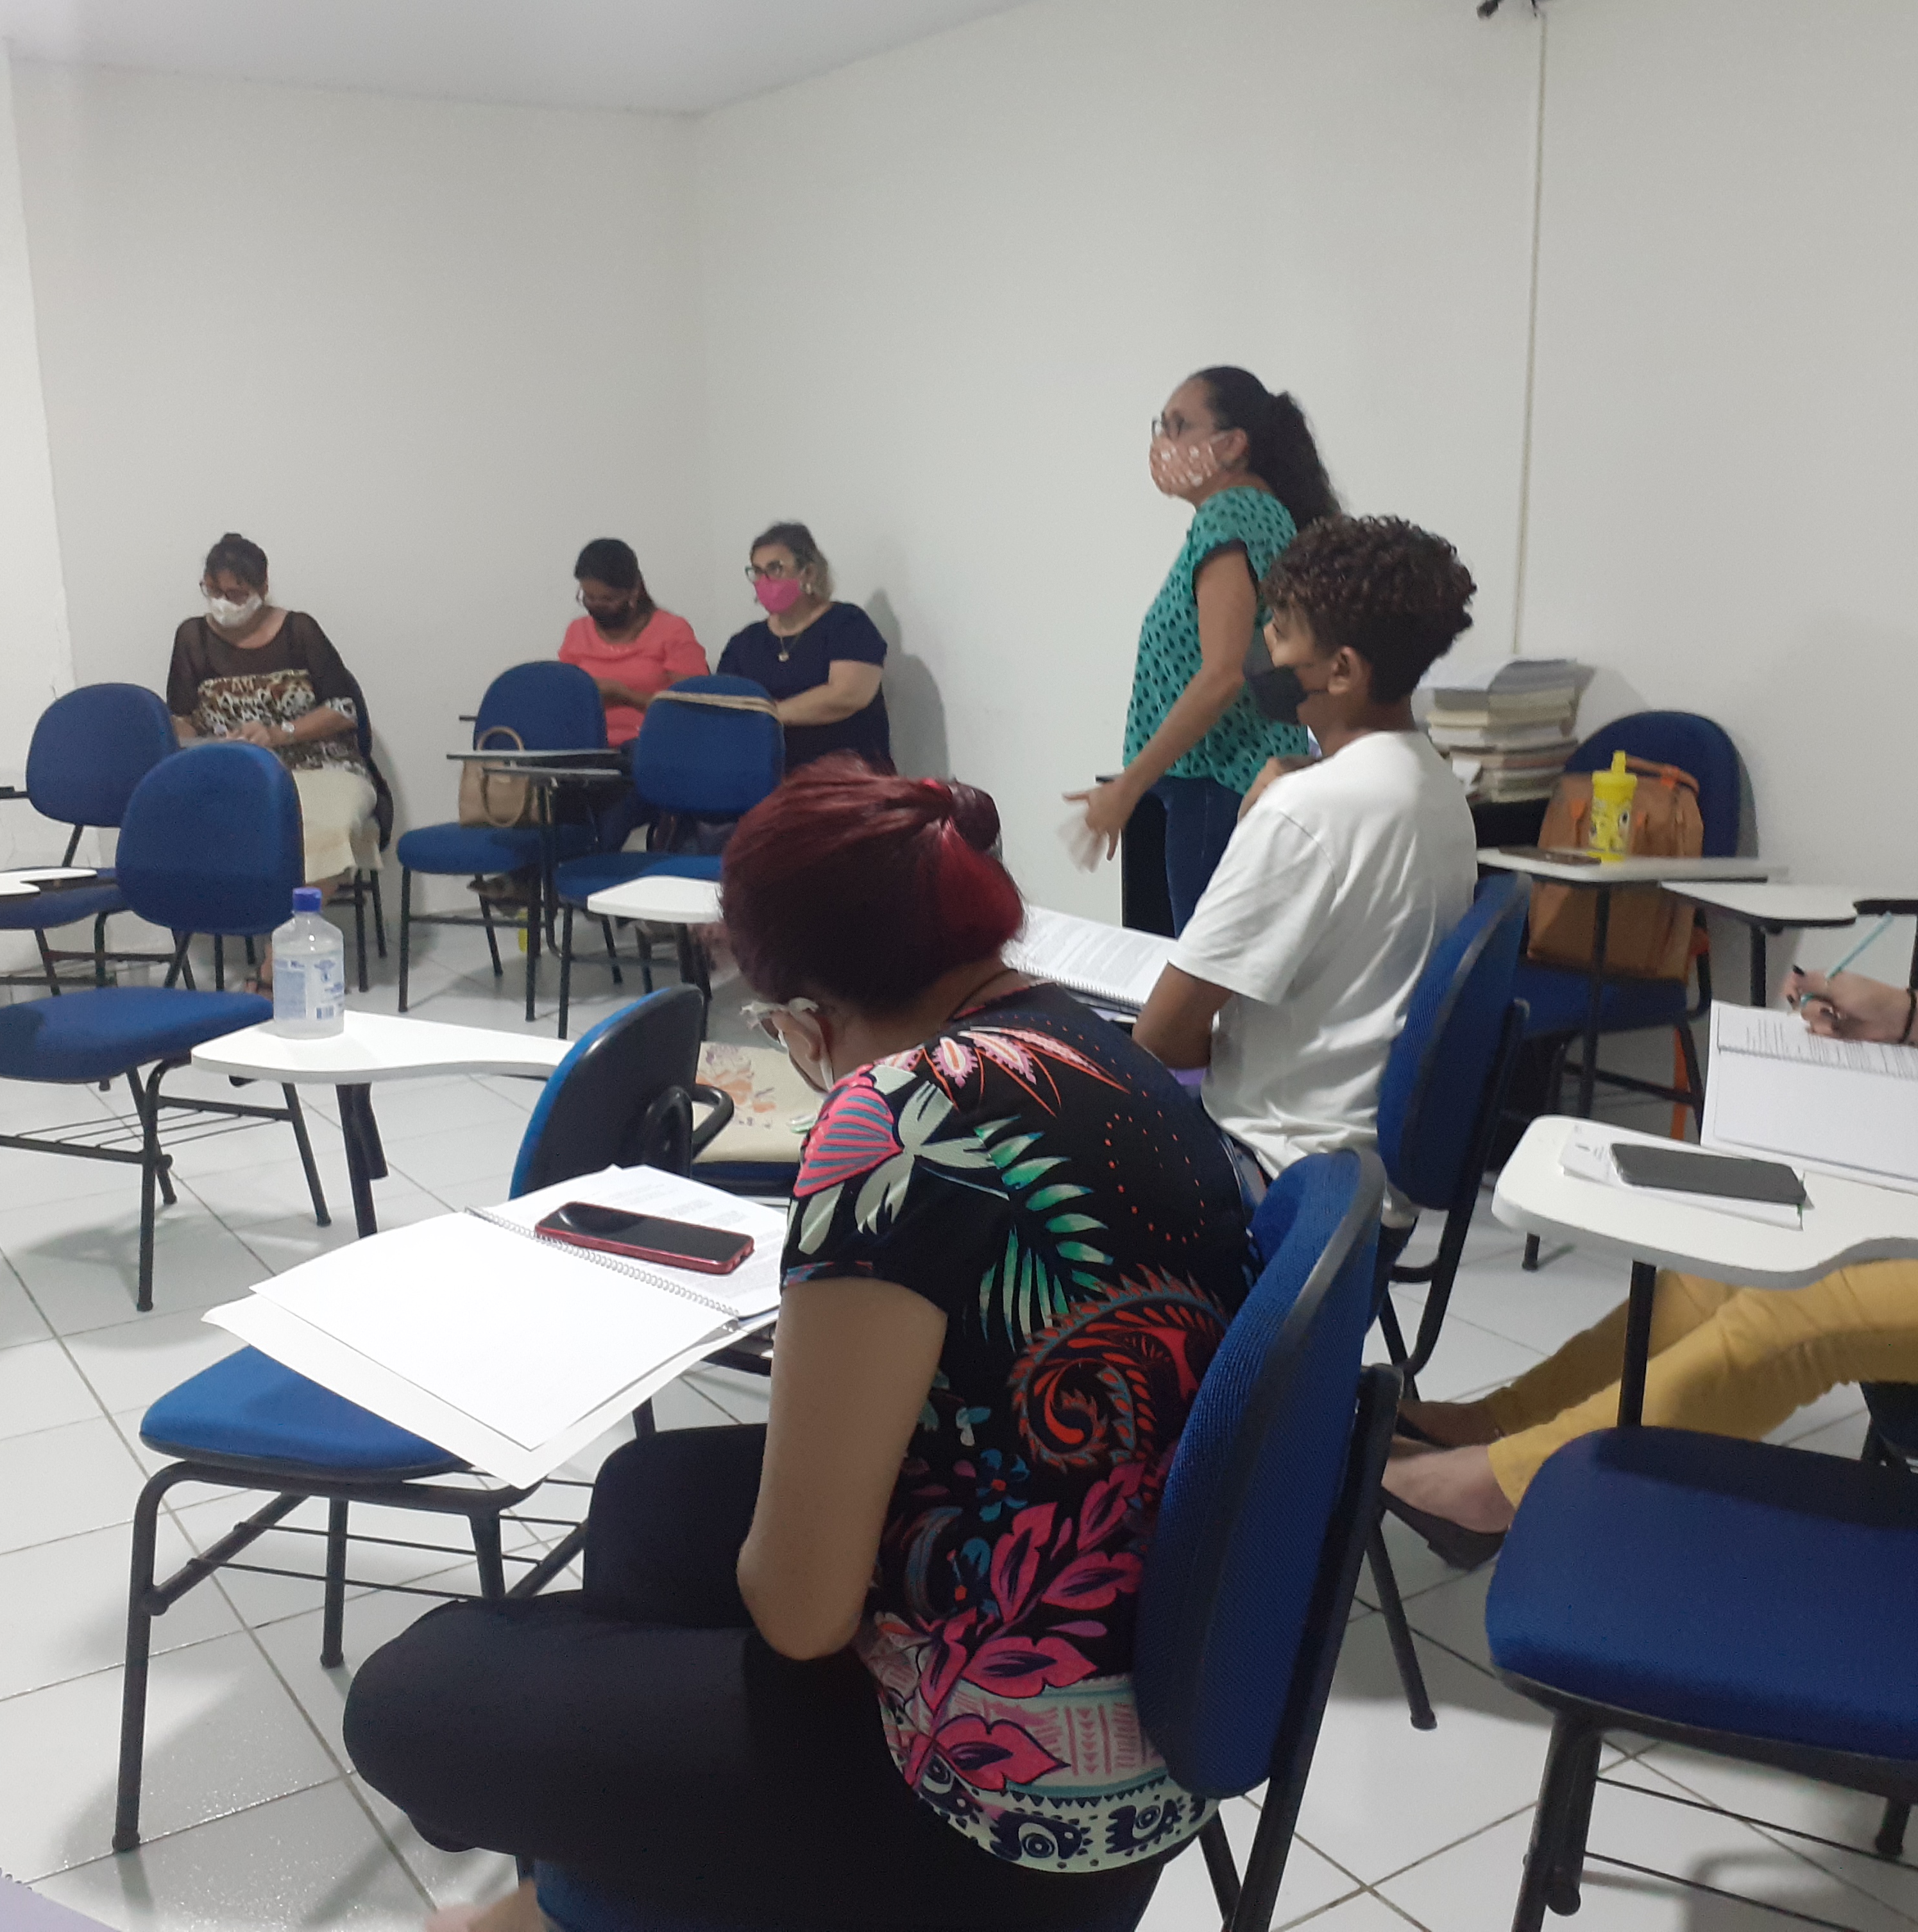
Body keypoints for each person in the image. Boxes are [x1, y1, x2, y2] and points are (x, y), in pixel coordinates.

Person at [345, 759, 1255, 1932]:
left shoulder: (891, 1119)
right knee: (648, 1495)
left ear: (812, 1020)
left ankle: (650, 1870)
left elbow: (801, 1614)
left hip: (995, 1802)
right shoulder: (1105, 1049)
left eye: (778, 1030)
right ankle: (613, 1885)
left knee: (411, 1695)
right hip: (1145, 1688)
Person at [1382, 525, 1918, 1567]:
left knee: (1806, 1303)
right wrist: (1916, 1015)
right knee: (1734, 1260)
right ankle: (1496, 1425)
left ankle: (1492, 1493)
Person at [1133, 515, 1481, 1178]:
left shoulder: (1306, 812)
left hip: (1269, 1165)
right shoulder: (1437, 785)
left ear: (1342, 671)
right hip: (1358, 1172)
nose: (1264, 642)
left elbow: (1162, 1038)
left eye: (1282, 629)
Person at [1067, 368, 1338, 933]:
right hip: (1225, 783)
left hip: (1217, 784)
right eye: (1160, 426)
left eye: (1179, 426)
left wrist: (1127, 787)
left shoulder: (1229, 517)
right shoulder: (1263, 513)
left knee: (1201, 963)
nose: (1162, 442)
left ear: (1233, 444)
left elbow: (1222, 674)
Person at [165, 533, 377, 890]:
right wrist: (211, 746)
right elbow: (180, 720)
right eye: (213, 591)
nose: (222, 603)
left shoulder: (299, 631)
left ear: (262, 589)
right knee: (216, 829)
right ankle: (264, 922)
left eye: (236, 594)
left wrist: (279, 734)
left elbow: (343, 710)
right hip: (237, 772)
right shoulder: (193, 638)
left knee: (323, 828)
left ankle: (293, 924)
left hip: (320, 766)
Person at [716, 521, 892, 770]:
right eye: (757, 571)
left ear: (808, 573)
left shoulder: (847, 623)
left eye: (776, 569)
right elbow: (727, 709)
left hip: (848, 779)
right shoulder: (745, 643)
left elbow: (848, 695)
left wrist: (769, 713)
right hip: (770, 777)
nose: (765, 581)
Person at [556, 538, 708, 749]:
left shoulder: (672, 630)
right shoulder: (577, 631)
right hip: (589, 748)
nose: (596, 606)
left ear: (634, 590)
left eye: (608, 599)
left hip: (655, 746)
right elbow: (562, 696)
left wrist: (626, 696)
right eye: (588, 598)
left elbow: (697, 707)